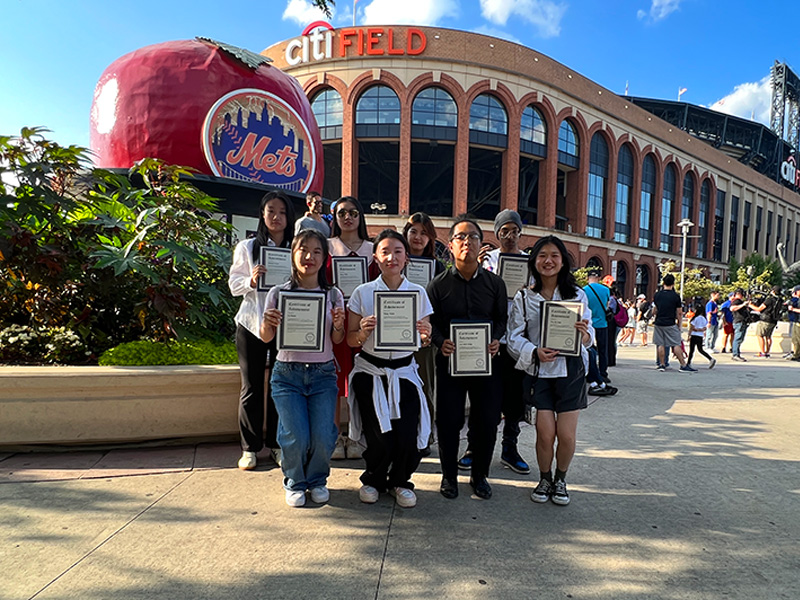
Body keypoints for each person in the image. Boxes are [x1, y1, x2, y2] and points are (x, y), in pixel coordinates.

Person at [346, 230, 434, 508]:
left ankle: (400, 481)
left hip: (404, 372)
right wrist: (361, 332)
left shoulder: (417, 292)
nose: (391, 257)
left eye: (398, 251)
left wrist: (424, 334)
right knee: (378, 437)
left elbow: (426, 334)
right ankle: (373, 479)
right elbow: (349, 339)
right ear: (376, 257)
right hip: (371, 373)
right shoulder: (363, 292)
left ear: (406, 257)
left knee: (408, 434)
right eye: (385, 251)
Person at [260, 229, 346, 507]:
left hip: (322, 375)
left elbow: (337, 340)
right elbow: (265, 338)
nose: (309, 256)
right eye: (303, 250)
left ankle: (317, 480)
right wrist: (268, 322)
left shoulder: (333, 295)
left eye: (317, 251)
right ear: (293, 254)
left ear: (325, 258)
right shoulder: (278, 293)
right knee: (295, 435)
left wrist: (339, 324)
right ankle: (295, 481)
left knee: (323, 435)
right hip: (287, 375)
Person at [507, 235, 594, 506]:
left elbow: (590, 332)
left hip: (569, 371)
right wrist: (534, 352)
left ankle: (561, 479)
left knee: (566, 435)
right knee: (545, 434)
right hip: (539, 373)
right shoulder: (524, 296)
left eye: (554, 255)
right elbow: (514, 336)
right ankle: (544, 478)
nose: (548, 261)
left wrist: (583, 335)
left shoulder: (577, 295)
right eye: (542, 255)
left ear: (563, 261)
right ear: (534, 262)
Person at [427, 216, 507, 500]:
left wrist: (496, 338)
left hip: (487, 364)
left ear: (480, 244)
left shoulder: (496, 284)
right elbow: (430, 323)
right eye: (461, 237)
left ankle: (480, 475)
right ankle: (449, 475)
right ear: (450, 246)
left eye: (473, 237)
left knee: (486, 420)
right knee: (449, 420)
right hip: (450, 362)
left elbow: (501, 319)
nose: (467, 242)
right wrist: (440, 342)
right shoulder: (437, 286)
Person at [460, 209, 531, 475]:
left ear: (520, 233)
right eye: (504, 231)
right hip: (488, 340)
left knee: (514, 400)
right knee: (481, 398)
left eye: (514, 230)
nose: (510, 236)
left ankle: (510, 449)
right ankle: (472, 447)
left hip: (516, 339)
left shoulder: (528, 263)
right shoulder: (486, 259)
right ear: (497, 233)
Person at [228, 191, 295, 471]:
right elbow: (233, 286)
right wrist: (251, 281)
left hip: (284, 325)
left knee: (279, 387)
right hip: (251, 324)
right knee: (252, 387)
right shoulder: (247, 247)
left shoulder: (296, 248)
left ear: (289, 216)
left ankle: (278, 445)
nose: (276, 217)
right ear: (262, 214)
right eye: (271, 211)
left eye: (282, 212)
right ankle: (250, 448)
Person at [328, 196, 377, 460]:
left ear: (361, 217)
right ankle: (335, 436)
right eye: (342, 213)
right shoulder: (325, 247)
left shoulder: (373, 249)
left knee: (360, 378)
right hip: (334, 321)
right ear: (335, 217)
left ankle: (357, 435)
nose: (348, 217)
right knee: (336, 380)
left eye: (353, 213)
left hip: (363, 323)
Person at [402, 212, 445, 454]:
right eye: (413, 231)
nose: (418, 237)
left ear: (431, 239)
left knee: (425, 385)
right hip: (396, 334)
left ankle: (425, 436)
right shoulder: (396, 260)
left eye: (424, 233)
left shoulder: (438, 268)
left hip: (425, 338)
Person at [652, 274, 695, 372]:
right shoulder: (675, 296)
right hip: (670, 322)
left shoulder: (657, 295)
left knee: (660, 344)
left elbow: (655, 310)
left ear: (663, 283)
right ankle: (683, 365)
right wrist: (679, 325)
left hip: (659, 322)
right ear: (673, 283)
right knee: (676, 343)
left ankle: (662, 364)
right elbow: (679, 313)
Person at [583, 272, 610, 383]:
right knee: (603, 350)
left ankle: (589, 372)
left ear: (587, 278)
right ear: (598, 278)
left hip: (588, 324)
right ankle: (603, 373)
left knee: (587, 348)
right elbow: (607, 305)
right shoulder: (606, 290)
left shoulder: (583, 290)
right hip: (602, 324)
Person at [750, 286, 782, 358]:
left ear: (773, 291)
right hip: (773, 320)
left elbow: (759, 309)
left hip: (765, 320)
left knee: (760, 335)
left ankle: (762, 352)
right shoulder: (780, 300)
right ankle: (767, 352)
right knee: (768, 336)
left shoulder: (769, 300)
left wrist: (750, 305)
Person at [687, 302, 716, 369]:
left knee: (691, 350)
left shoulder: (695, 318)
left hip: (694, 335)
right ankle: (710, 359)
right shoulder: (703, 318)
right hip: (700, 336)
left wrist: (689, 335)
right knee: (700, 349)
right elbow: (705, 327)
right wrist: (701, 330)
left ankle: (688, 363)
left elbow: (692, 327)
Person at [729, 288, 750, 361]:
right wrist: (743, 305)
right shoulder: (736, 301)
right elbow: (732, 308)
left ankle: (737, 353)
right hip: (739, 322)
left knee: (740, 338)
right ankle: (735, 354)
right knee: (738, 338)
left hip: (742, 321)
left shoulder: (740, 301)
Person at [786, 285, 800, 361]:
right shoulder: (796, 300)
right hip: (795, 320)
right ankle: (796, 354)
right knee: (795, 339)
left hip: (798, 322)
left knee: (798, 340)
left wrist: (793, 309)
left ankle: (797, 355)